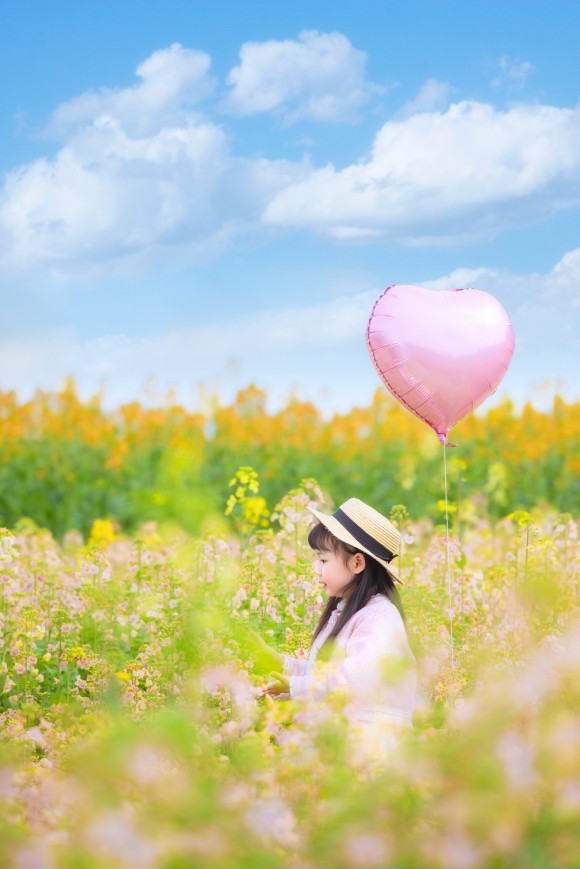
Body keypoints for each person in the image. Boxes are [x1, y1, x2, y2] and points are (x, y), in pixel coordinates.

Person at [250, 497, 417, 766]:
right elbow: (326, 674)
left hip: (370, 750)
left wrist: (294, 686)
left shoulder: (380, 617)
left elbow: (358, 679)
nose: (316, 570)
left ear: (358, 563)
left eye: (323, 560)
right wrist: (277, 662)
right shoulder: (352, 611)